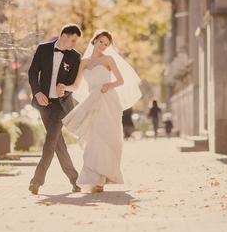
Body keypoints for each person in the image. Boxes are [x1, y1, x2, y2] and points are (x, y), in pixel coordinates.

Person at [61, 30, 142, 193]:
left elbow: (120, 80)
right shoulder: (84, 62)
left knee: (108, 137)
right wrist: (65, 87)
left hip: (108, 101)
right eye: (101, 42)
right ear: (94, 40)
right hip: (92, 101)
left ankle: (103, 179)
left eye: (107, 44)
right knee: (93, 139)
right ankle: (94, 178)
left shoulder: (108, 60)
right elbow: (76, 85)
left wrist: (108, 85)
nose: (103, 46)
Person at [27, 24, 82, 195]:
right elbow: (32, 73)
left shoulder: (75, 57)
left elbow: (73, 84)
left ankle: (36, 181)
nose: (73, 44)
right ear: (64, 35)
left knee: (50, 142)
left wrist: (64, 88)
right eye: (72, 40)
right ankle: (75, 179)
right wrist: (37, 93)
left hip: (61, 106)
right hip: (43, 104)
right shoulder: (43, 49)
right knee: (58, 144)